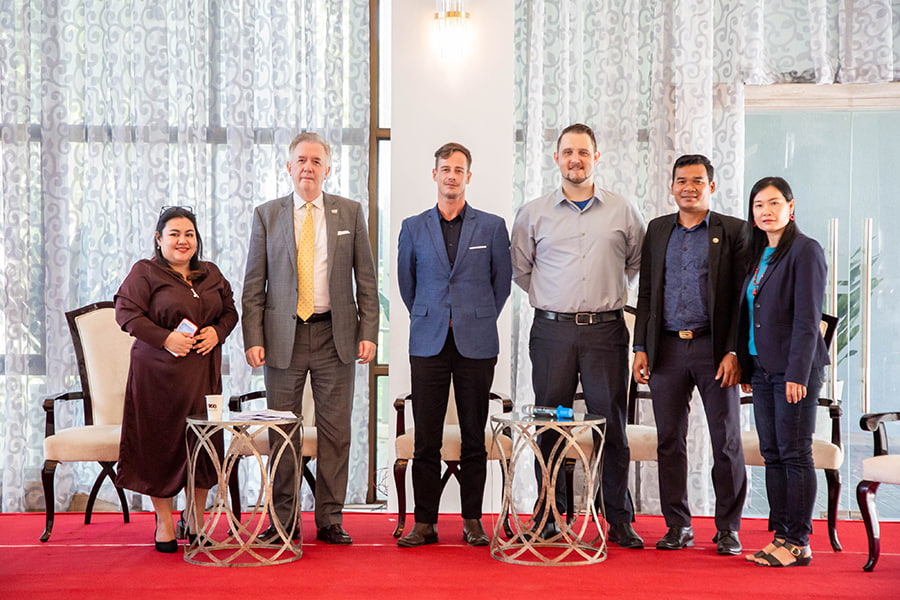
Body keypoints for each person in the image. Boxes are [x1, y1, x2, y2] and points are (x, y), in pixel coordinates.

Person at [510, 123, 646, 547]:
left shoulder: (623, 210)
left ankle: (618, 517)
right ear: (557, 158)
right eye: (568, 152)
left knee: (612, 427)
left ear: (596, 157)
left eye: (583, 152)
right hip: (551, 334)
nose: (575, 159)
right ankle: (551, 514)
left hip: (606, 333)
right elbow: (521, 269)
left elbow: (635, 262)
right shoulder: (534, 212)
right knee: (550, 424)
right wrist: (557, 300)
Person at [242, 132, 379, 545]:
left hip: (335, 335)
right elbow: (253, 284)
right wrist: (253, 336)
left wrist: (369, 331)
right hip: (283, 337)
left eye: (316, 161)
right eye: (301, 160)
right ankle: (282, 521)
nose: (308, 167)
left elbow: (366, 281)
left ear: (327, 168)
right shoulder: (267, 215)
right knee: (283, 431)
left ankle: (330, 519)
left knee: (337, 431)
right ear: (289, 167)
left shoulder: (350, 214)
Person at [396, 142, 512, 548]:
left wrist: (473, 316)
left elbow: (502, 284)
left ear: (468, 176)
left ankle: (473, 520)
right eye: (445, 168)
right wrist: (433, 315)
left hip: (476, 342)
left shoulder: (492, 226)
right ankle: (424, 523)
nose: (451, 175)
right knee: (426, 437)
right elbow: (406, 285)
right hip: (427, 341)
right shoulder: (413, 227)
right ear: (434, 174)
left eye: (458, 169)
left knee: (473, 437)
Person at [632, 154, 749, 555]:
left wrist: (734, 350)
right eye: (681, 180)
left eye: (697, 181)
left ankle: (728, 527)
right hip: (665, 347)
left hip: (712, 349)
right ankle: (677, 525)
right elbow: (646, 291)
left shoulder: (733, 231)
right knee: (670, 441)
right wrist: (641, 347)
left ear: (711, 187)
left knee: (726, 440)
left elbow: (740, 300)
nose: (689, 187)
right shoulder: (658, 230)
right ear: (671, 186)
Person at [115, 206, 238, 553]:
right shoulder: (145, 272)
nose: (183, 241)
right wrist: (165, 338)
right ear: (159, 239)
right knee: (161, 446)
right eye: (174, 234)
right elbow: (126, 313)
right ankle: (165, 523)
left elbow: (231, 310)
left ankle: (196, 520)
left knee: (203, 446)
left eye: (189, 234)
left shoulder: (210, 273)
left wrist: (218, 331)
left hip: (202, 377)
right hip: (157, 376)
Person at [737, 177, 828, 567]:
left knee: (794, 453)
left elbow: (808, 320)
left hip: (795, 371)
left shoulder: (806, 251)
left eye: (774, 203)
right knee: (772, 453)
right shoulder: (759, 255)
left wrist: (797, 374)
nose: (766, 211)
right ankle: (781, 536)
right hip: (761, 369)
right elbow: (750, 317)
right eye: (759, 205)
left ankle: (799, 541)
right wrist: (745, 362)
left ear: (791, 207)